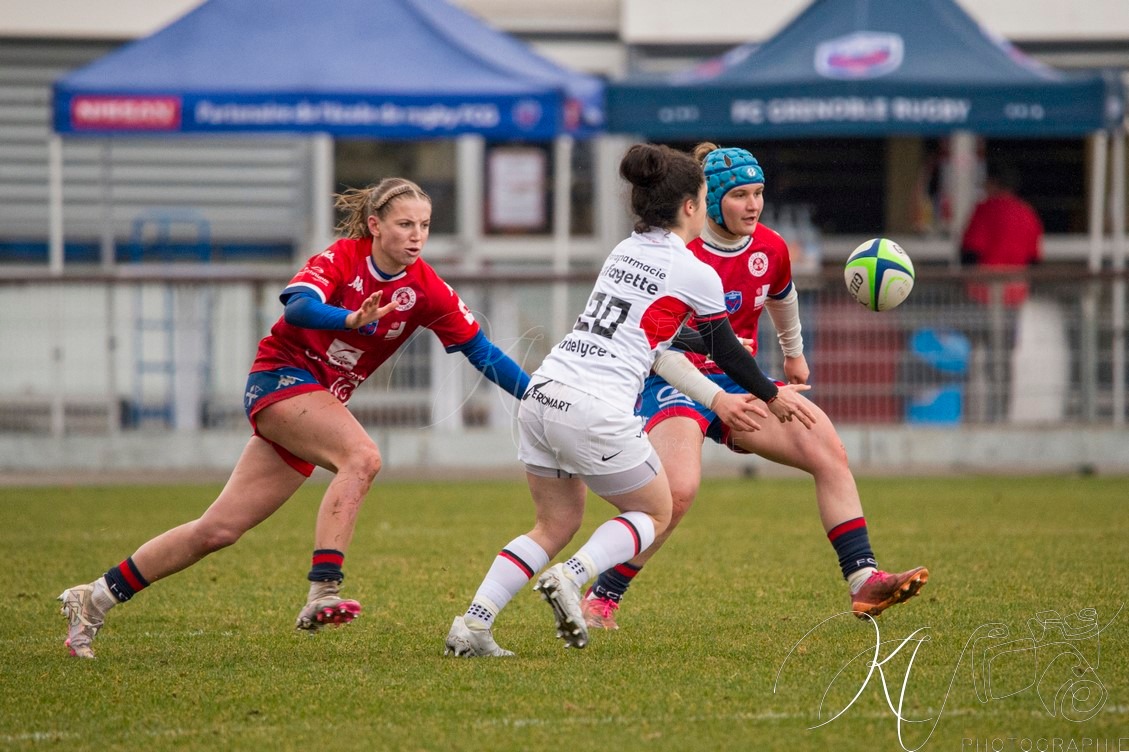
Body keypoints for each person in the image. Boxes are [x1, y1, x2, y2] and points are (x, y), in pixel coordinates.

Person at [58, 177, 532, 659]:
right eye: (405, 224)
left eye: (425, 226)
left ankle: (94, 598)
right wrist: (350, 319)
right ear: (374, 225)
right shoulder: (343, 258)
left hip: (316, 404)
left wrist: (536, 396)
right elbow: (299, 307)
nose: (417, 236)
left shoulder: (427, 288)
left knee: (217, 530)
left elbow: (482, 351)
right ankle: (324, 588)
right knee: (362, 457)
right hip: (279, 380)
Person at [444, 143, 817, 658]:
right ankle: (572, 577)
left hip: (544, 392)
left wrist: (725, 377)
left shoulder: (625, 249)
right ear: (691, 206)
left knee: (553, 524)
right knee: (655, 512)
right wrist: (771, 395)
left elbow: (660, 332)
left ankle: (473, 625)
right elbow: (725, 349)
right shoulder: (694, 270)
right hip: (594, 406)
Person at [581, 143, 929, 631]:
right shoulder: (679, 254)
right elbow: (658, 348)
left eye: (759, 193)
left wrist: (793, 353)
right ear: (710, 200)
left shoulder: (771, 247)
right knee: (677, 492)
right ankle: (602, 597)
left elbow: (782, 296)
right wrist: (718, 398)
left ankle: (864, 579)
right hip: (674, 380)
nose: (753, 205)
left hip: (740, 379)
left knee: (827, 448)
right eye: (740, 195)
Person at [960, 165, 1043, 421]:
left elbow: (969, 253)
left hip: (981, 294)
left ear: (995, 183)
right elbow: (1034, 259)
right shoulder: (1027, 213)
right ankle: (1001, 417)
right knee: (1003, 360)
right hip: (1013, 296)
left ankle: (974, 417)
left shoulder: (985, 210)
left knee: (974, 358)